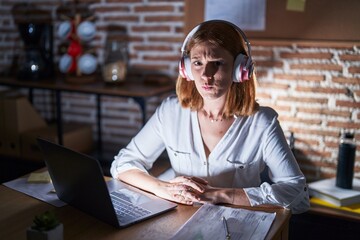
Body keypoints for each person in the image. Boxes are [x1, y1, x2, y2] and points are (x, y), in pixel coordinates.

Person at [110, 20, 309, 214]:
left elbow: (295, 191)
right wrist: (161, 187)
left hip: (238, 226)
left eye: (218, 63)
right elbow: (122, 164)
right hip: (180, 220)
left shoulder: (262, 123)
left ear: (240, 69)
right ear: (186, 69)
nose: (206, 74)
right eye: (198, 63)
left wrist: (221, 195)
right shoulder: (170, 112)